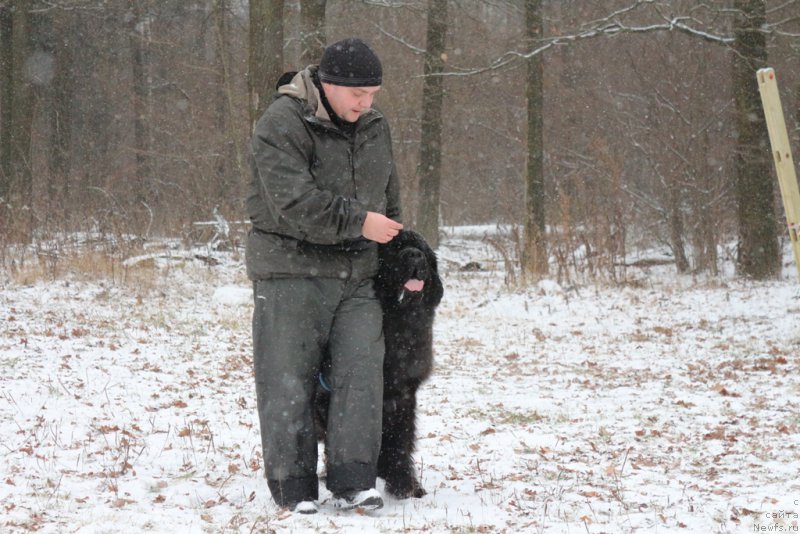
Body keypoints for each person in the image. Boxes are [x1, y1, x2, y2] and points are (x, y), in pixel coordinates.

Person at [245, 37, 403, 514]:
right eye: (358, 94)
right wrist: (360, 222)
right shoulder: (281, 124)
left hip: (358, 274)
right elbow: (292, 203)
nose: (366, 103)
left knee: (361, 375)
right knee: (287, 379)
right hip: (290, 270)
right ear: (328, 85)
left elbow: (390, 199)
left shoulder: (375, 126)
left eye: (373, 93)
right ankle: (293, 488)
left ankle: (353, 479)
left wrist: (393, 254)